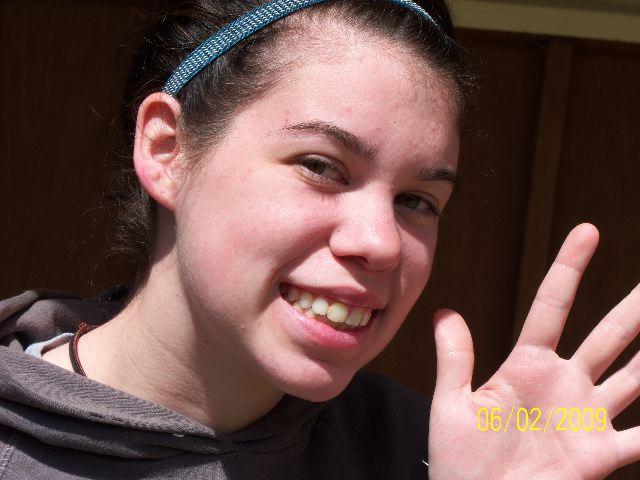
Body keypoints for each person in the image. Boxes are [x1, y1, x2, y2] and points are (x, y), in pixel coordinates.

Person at [0, 0, 638, 478]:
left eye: (416, 201)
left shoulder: (445, 457)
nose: (382, 243)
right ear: (168, 149)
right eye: (321, 166)